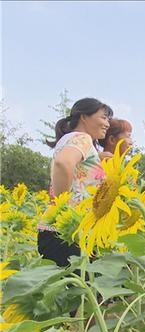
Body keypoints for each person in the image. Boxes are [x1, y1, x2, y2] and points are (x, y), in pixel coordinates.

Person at [37, 98, 113, 267]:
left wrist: (96, 159)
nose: (107, 123)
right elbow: (63, 163)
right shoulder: (82, 138)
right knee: (91, 290)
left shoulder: (72, 140)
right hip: (68, 230)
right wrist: (63, 206)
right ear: (84, 116)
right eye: (103, 117)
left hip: (61, 231)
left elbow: (77, 172)